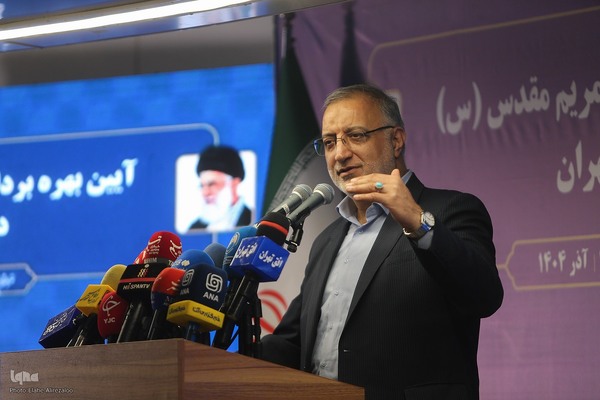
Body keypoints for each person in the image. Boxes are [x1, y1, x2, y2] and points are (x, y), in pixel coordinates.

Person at [259, 83, 504, 399]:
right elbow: (293, 343)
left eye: (356, 136)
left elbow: (484, 296)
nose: (340, 154)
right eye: (330, 142)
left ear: (396, 140)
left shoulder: (450, 209)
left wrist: (416, 222)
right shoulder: (326, 240)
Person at [187, 145, 252, 232]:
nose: (205, 192)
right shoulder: (195, 228)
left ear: (234, 183)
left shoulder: (253, 220)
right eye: (202, 186)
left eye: (212, 184)